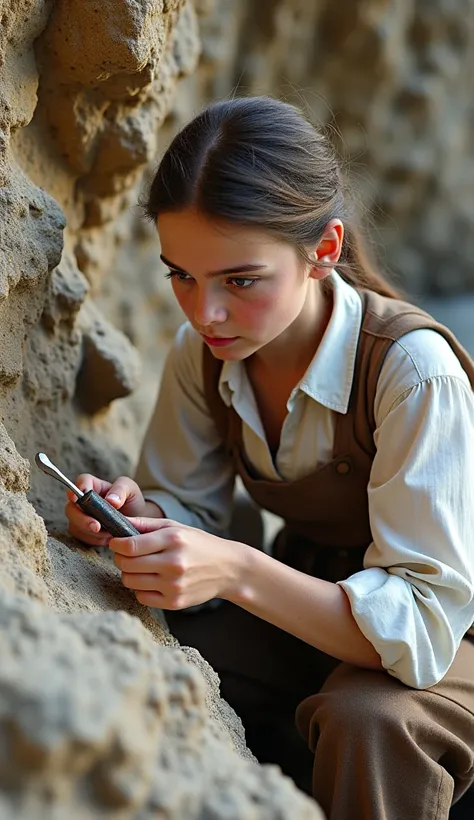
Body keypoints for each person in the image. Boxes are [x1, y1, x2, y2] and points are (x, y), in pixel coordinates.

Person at [66, 96, 474, 820]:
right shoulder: (206, 355)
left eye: (240, 280)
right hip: (315, 594)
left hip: (448, 637)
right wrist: (143, 517)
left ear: (322, 250)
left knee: (370, 721)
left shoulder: (414, 370)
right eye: (181, 276)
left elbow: (416, 624)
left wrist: (238, 568)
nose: (204, 312)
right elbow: (189, 506)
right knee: (139, 627)